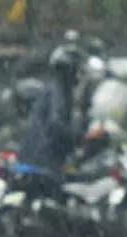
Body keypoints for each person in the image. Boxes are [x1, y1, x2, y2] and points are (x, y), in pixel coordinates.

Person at [16, 44, 82, 173]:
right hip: (43, 162)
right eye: (75, 69)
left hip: (35, 159)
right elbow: (56, 124)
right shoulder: (58, 92)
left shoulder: (54, 89)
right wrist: (77, 138)